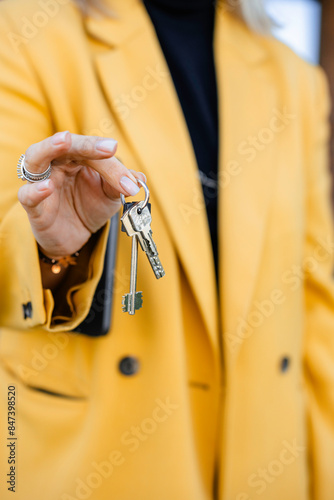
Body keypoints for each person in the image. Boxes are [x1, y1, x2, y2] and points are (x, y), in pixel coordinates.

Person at [0, 0, 333, 498]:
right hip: (97, 467)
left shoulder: (296, 81)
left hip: (267, 470)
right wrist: (53, 249)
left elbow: (316, 306)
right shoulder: (21, 29)